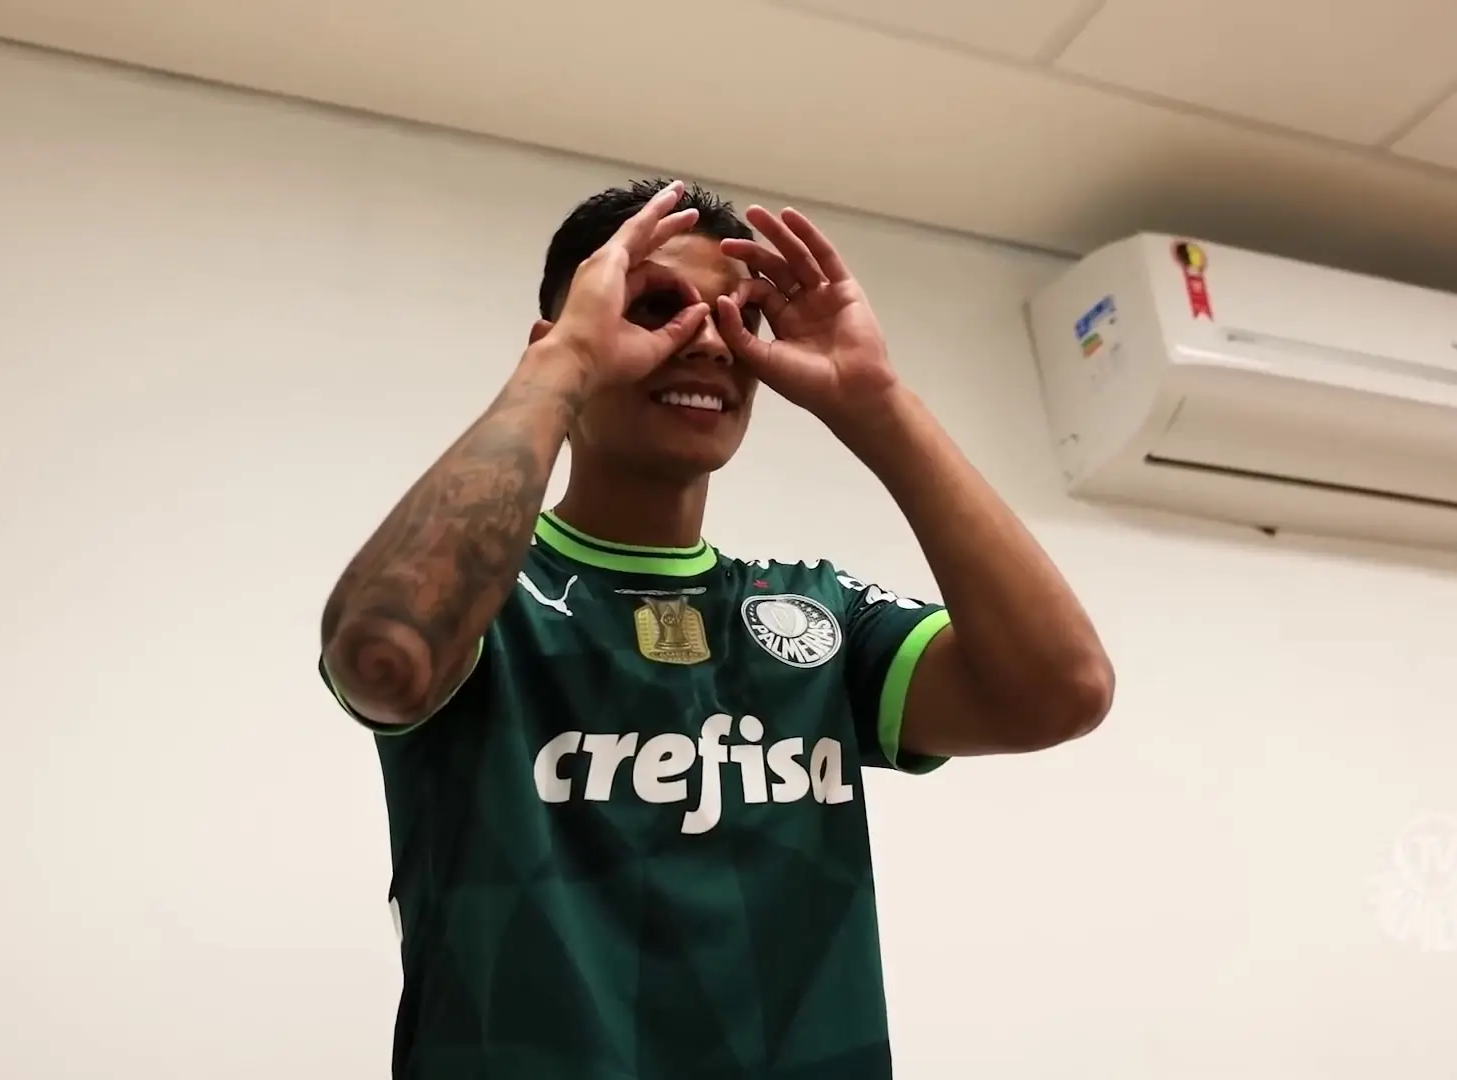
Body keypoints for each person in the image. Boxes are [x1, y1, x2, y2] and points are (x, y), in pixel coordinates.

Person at [318, 178, 1115, 1078]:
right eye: (655, 307)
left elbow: (1063, 690)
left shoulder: (815, 612)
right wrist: (562, 365)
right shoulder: (485, 598)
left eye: (741, 317)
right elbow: (383, 653)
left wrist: (875, 400)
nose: (706, 338)